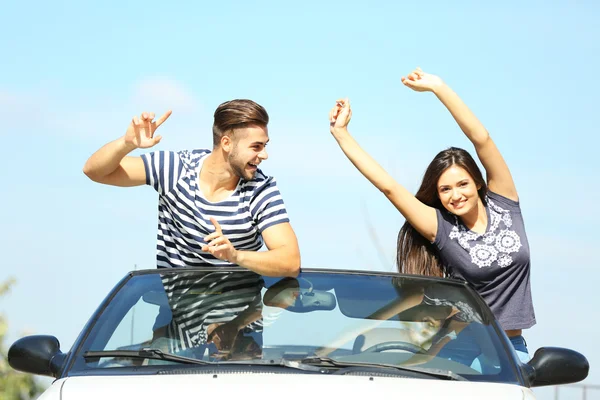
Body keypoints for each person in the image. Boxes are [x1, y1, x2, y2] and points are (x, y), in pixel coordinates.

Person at [327, 67, 535, 361]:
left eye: (462, 184)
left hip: (513, 350)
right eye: (445, 189)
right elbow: (389, 188)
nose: (456, 195)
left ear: (477, 182)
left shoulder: (504, 202)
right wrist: (341, 134)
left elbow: (482, 139)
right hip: (461, 350)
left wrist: (439, 87)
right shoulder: (443, 230)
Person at [83, 99, 301, 277]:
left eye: (264, 146)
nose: (264, 155)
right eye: (256, 147)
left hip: (238, 322)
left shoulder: (260, 189)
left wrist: (234, 256)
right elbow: (94, 171)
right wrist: (127, 144)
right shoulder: (176, 169)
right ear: (226, 143)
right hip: (174, 317)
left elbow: (290, 261)